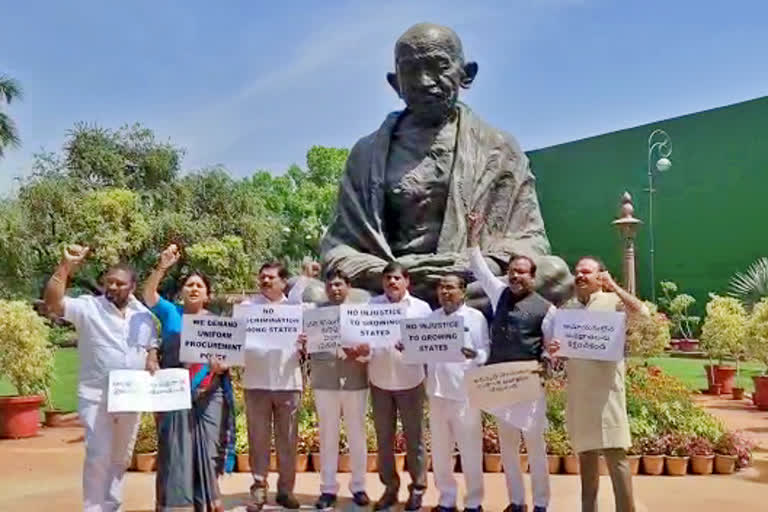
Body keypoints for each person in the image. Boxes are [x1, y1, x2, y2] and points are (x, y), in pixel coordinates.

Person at [320, 22, 571, 304]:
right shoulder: (365, 155)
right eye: (411, 70)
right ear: (395, 83)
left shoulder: (499, 148)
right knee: (313, 294)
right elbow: (337, 249)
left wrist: (478, 265)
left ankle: (449, 308)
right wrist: (392, 272)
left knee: (554, 274)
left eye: (438, 66)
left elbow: (532, 240)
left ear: (466, 74)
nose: (424, 81)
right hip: (392, 288)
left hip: (470, 281)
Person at [43, 244, 158, 512]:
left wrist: (152, 356)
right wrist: (65, 267)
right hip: (96, 396)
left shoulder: (142, 314)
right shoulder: (88, 307)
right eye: (110, 282)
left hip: (131, 396)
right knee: (98, 456)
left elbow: (151, 341)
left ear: (131, 286)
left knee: (121, 457)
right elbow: (53, 302)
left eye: (120, 283)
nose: (113, 287)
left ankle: (112, 506)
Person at [467, 213, 555, 512]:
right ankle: (517, 502)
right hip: (500, 384)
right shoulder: (499, 293)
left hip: (529, 387)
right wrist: (472, 232)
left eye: (522, 272)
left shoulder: (547, 309)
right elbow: (478, 267)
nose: (516, 277)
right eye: (512, 272)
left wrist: (548, 359)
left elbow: (552, 348)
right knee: (507, 449)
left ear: (532, 276)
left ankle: (541, 504)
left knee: (535, 448)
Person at [547, 257, 648, 512]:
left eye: (586, 272)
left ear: (601, 275)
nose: (580, 276)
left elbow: (643, 315)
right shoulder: (568, 309)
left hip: (608, 396)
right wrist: (556, 351)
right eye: (577, 272)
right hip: (580, 396)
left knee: (617, 460)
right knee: (587, 461)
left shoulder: (614, 303)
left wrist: (614, 286)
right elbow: (559, 355)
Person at [143, 244, 236, 512]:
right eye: (189, 285)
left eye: (199, 286)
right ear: (182, 292)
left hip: (211, 392)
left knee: (209, 450)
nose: (194, 288)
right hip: (176, 392)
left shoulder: (218, 323)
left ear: (207, 295)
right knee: (176, 450)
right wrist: (162, 267)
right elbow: (148, 295)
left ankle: (206, 502)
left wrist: (222, 366)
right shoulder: (172, 314)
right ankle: (176, 505)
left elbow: (229, 357)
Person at [359, 262, 432, 511]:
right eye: (388, 278)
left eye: (397, 278)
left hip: (411, 381)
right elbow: (363, 344)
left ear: (407, 281)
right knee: (384, 440)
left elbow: (430, 346)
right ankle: (390, 489)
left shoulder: (422, 309)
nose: (392, 282)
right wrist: (363, 351)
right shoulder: (371, 307)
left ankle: (418, 489)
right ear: (383, 282)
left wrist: (413, 347)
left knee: (415, 439)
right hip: (380, 381)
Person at [299, 269, 371, 510]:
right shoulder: (314, 313)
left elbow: (372, 346)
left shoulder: (361, 313)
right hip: (325, 380)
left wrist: (362, 352)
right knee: (327, 436)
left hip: (354, 379)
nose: (335, 289)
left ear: (348, 287)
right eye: (330, 285)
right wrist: (304, 342)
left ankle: (359, 487)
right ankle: (327, 489)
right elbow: (297, 333)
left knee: (357, 436)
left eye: (339, 284)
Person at [240, 262, 307, 511]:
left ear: (283, 282)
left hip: (288, 383)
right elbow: (235, 342)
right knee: (257, 439)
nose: (265, 281)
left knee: (288, 440)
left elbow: (310, 345)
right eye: (262, 277)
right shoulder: (247, 309)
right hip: (256, 383)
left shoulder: (296, 310)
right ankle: (258, 489)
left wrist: (305, 343)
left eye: (270, 277)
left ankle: (286, 490)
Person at [424, 274, 489, 512]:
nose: (445, 292)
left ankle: (473, 502)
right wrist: (408, 347)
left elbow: (485, 351)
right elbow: (421, 351)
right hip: (437, 393)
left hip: (465, 394)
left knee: (470, 450)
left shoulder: (475, 318)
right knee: (440, 451)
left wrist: (476, 355)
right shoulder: (431, 318)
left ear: (463, 292)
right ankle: (446, 499)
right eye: (441, 288)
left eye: (450, 287)